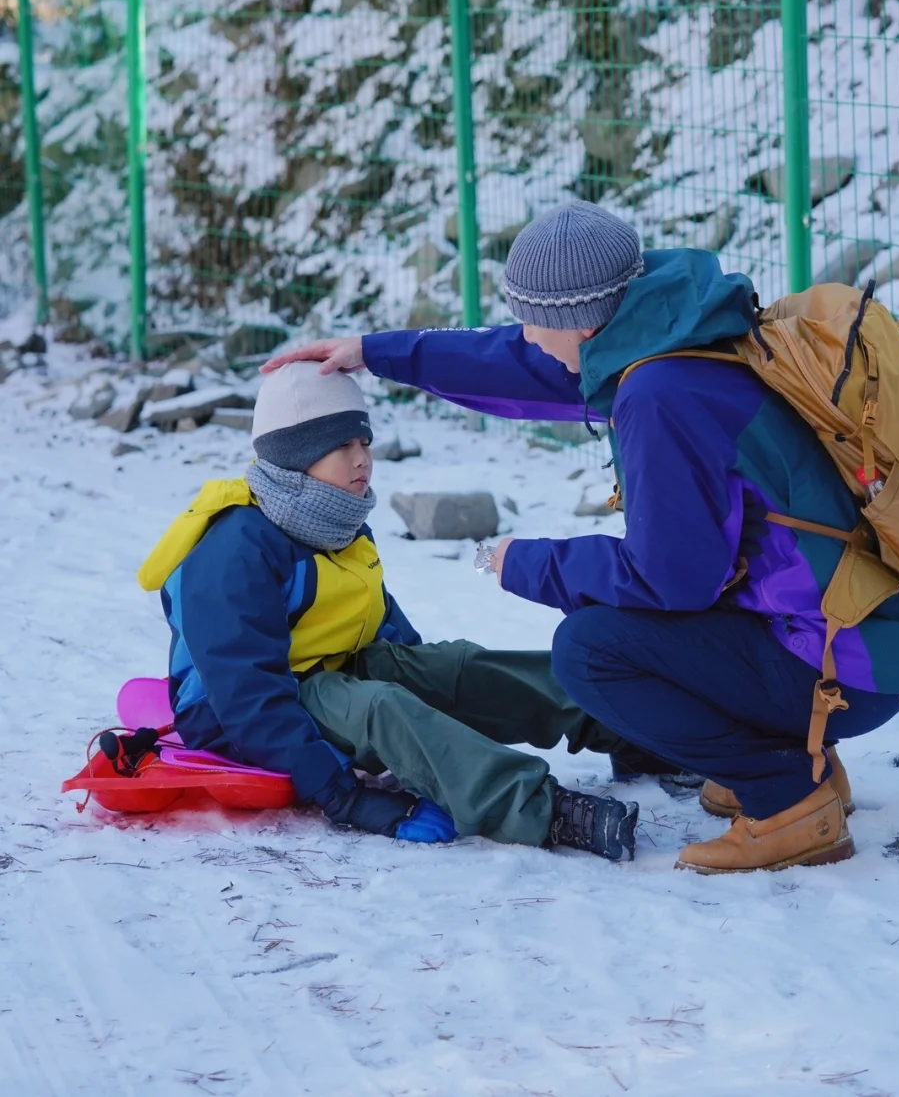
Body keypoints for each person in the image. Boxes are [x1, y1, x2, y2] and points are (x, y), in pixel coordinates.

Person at [264, 201, 899, 875]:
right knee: (634, 623)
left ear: (580, 321)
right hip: (860, 631)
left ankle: (789, 800)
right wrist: (377, 354)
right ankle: (800, 763)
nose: (525, 334)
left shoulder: (660, 394)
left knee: (591, 652)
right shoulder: (681, 325)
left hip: (840, 665)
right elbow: (523, 362)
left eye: (533, 319)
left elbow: (670, 578)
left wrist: (523, 563)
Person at [136, 360, 640, 862]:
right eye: (342, 447)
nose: (362, 461)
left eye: (364, 443)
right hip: (244, 715)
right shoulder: (235, 551)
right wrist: (345, 797)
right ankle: (541, 809)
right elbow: (247, 695)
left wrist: (436, 690)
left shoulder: (334, 519)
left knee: (459, 666)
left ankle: (630, 723)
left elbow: (378, 618)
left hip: (328, 671)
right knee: (384, 709)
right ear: (295, 455)